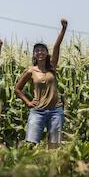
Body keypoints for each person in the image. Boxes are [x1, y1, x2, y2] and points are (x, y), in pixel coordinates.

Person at [14, 19, 68, 147]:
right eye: (37, 50)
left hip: (56, 111)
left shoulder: (52, 67)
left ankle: (52, 166)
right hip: (37, 111)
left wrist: (63, 29)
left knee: (54, 145)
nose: (40, 52)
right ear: (34, 54)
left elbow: (57, 47)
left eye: (42, 50)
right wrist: (28, 102)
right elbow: (17, 89)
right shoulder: (31, 71)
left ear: (46, 53)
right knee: (31, 143)